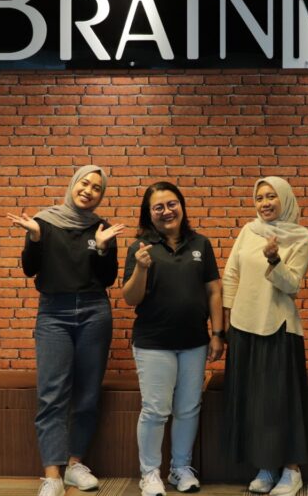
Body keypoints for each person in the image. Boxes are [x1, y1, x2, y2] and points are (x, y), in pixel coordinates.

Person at [6, 165, 126, 496]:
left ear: (101, 195)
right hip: (53, 314)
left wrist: (101, 248)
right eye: (84, 184)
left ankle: (74, 465)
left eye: (97, 188)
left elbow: (107, 279)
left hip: (94, 312)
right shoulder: (44, 222)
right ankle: (52, 476)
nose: (89, 191)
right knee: (51, 394)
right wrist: (34, 238)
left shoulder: (102, 228)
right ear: (73, 184)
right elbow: (30, 269)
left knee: (87, 394)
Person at [122, 182, 225, 496]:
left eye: (172, 204)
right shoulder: (140, 247)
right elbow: (131, 298)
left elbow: (214, 290)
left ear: (181, 206)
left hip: (194, 342)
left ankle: (180, 468)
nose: (166, 211)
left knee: (188, 408)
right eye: (158, 207)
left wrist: (217, 334)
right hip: (153, 343)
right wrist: (141, 268)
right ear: (149, 213)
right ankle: (150, 474)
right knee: (155, 410)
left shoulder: (200, 244)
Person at [222, 176, 308, 496]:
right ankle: (265, 466)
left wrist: (274, 258)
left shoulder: (301, 238)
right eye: (260, 197)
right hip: (243, 326)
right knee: (253, 401)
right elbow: (231, 274)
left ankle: (291, 470)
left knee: (281, 402)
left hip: (279, 327)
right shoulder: (248, 231)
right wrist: (225, 321)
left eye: (271, 197)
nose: (264, 203)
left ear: (285, 199)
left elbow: (291, 284)